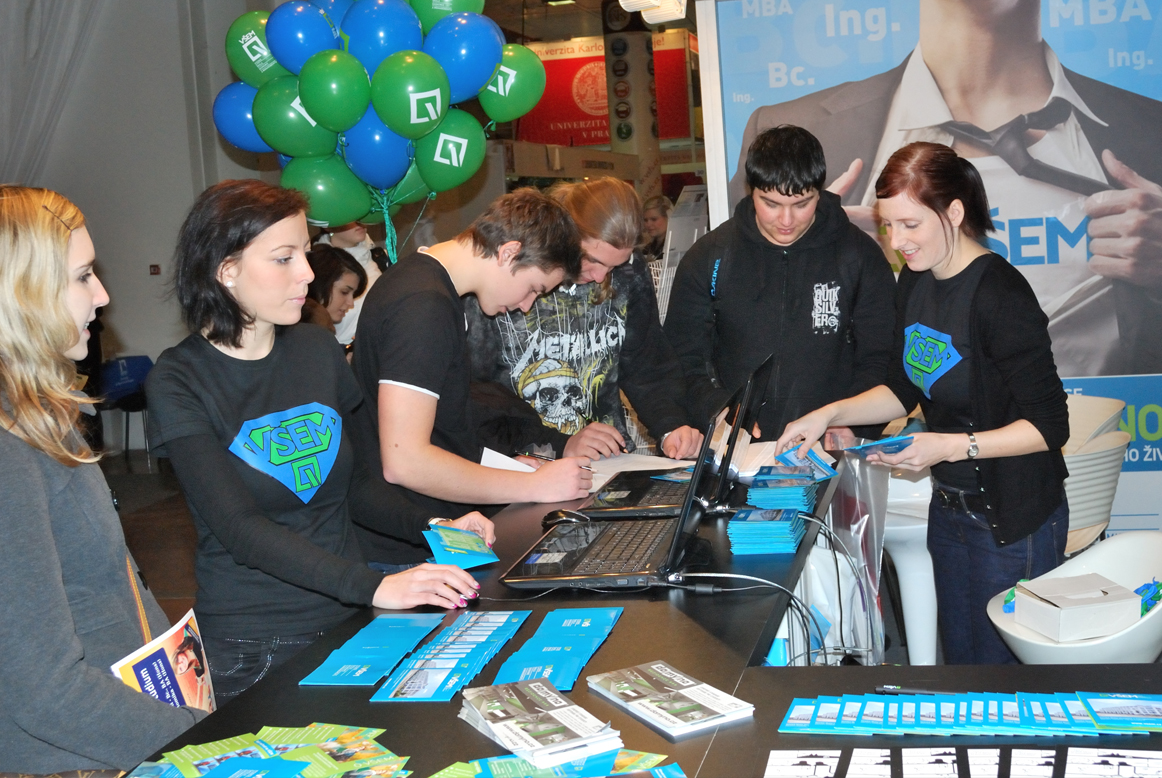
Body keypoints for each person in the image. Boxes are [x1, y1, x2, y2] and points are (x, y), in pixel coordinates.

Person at [147, 179, 489, 700]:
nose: (307, 273)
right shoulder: (178, 379)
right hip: (254, 645)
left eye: (305, 253)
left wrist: (435, 526)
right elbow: (239, 528)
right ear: (226, 269)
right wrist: (375, 586)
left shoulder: (317, 349)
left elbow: (356, 486)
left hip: (349, 619)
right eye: (284, 258)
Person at [730, 0, 1162, 376]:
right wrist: (807, 256)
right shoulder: (793, 130)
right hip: (878, 429)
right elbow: (735, 309)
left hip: (1102, 432)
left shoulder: (1151, 130)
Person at [776, 142, 1070, 664]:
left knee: (1003, 682)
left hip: (1012, 519)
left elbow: (1050, 426)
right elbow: (902, 389)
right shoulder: (915, 280)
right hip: (951, 511)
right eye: (888, 225)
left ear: (954, 212)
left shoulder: (1000, 294)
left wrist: (949, 446)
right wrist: (829, 413)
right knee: (961, 669)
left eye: (911, 225)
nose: (897, 242)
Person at [0, 186, 205, 771]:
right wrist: (201, 743)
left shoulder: (39, 419)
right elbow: (44, 690)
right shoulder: (9, 451)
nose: (103, 296)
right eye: (83, 276)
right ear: (22, 291)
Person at [350, 188, 592, 564]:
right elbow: (405, 461)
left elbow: (441, 431)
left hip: (425, 531)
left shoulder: (423, 283)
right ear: (508, 252)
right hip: (410, 545)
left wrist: (505, 470)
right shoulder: (424, 306)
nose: (527, 305)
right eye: (534, 288)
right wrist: (532, 485)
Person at [665, 125, 896, 442]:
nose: (786, 221)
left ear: (819, 192)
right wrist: (718, 408)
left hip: (829, 445)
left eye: (802, 204)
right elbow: (683, 356)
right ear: (751, 191)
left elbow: (881, 357)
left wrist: (851, 424)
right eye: (770, 203)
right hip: (736, 445)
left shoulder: (858, 255)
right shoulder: (711, 256)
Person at [466, 178, 702, 461]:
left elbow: (647, 363)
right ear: (565, 234)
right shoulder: (509, 280)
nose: (600, 276)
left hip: (608, 459)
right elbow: (476, 393)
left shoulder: (629, 271)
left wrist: (671, 425)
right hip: (526, 458)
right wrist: (509, 453)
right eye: (592, 260)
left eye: (613, 266)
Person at [315, 221, 385, 345]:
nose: (360, 222)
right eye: (344, 292)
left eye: (362, 215)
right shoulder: (313, 267)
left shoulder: (378, 258)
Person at [302, 244, 368, 334]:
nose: (351, 303)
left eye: (354, 295)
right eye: (344, 292)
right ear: (320, 285)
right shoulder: (305, 335)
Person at [641, 194, 673, 263]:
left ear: (668, 217)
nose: (648, 224)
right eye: (645, 220)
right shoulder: (647, 249)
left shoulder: (674, 249)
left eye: (654, 219)